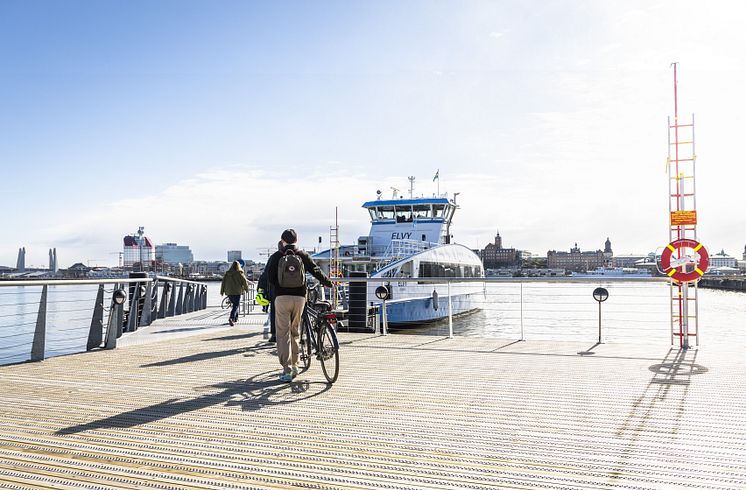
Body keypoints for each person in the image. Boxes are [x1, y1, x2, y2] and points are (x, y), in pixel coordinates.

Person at [262, 229, 333, 382]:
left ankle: (287, 370)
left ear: (282, 240)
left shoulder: (276, 256)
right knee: (295, 331)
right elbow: (316, 270)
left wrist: (279, 288)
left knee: (282, 334)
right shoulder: (302, 255)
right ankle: (295, 365)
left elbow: (270, 277)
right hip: (300, 297)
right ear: (296, 240)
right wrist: (328, 283)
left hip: (281, 298)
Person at [257, 240, 283, 343]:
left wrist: (261, 290)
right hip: (295, 292)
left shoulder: (274, 257)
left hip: (276, 291)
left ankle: (275, 335)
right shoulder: (297, 255)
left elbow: (265, 275)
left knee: (274, 313)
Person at [220, 260, 249, 326]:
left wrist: (222, 291)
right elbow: (245, 282)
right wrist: (246, 289)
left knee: (235, 305)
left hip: (229, 292)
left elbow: (223, 283)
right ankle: (231, 318)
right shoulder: (240, 273)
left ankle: (236, 318)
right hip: (237, 292)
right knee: (236, 305)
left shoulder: (227, 274)